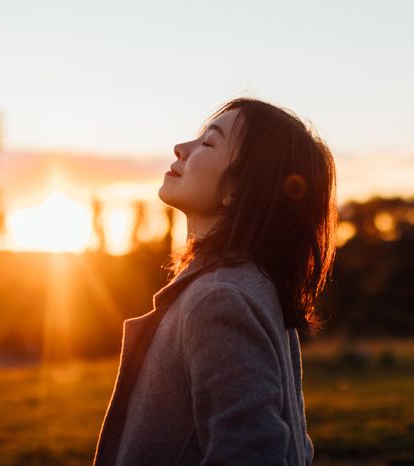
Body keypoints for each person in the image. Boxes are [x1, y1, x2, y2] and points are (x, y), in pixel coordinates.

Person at [92, 97, 337, 466]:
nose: (181, 148)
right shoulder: (251, 285)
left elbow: (254, 454)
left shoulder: (219, 299)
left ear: (237, 190)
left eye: (208, 143)